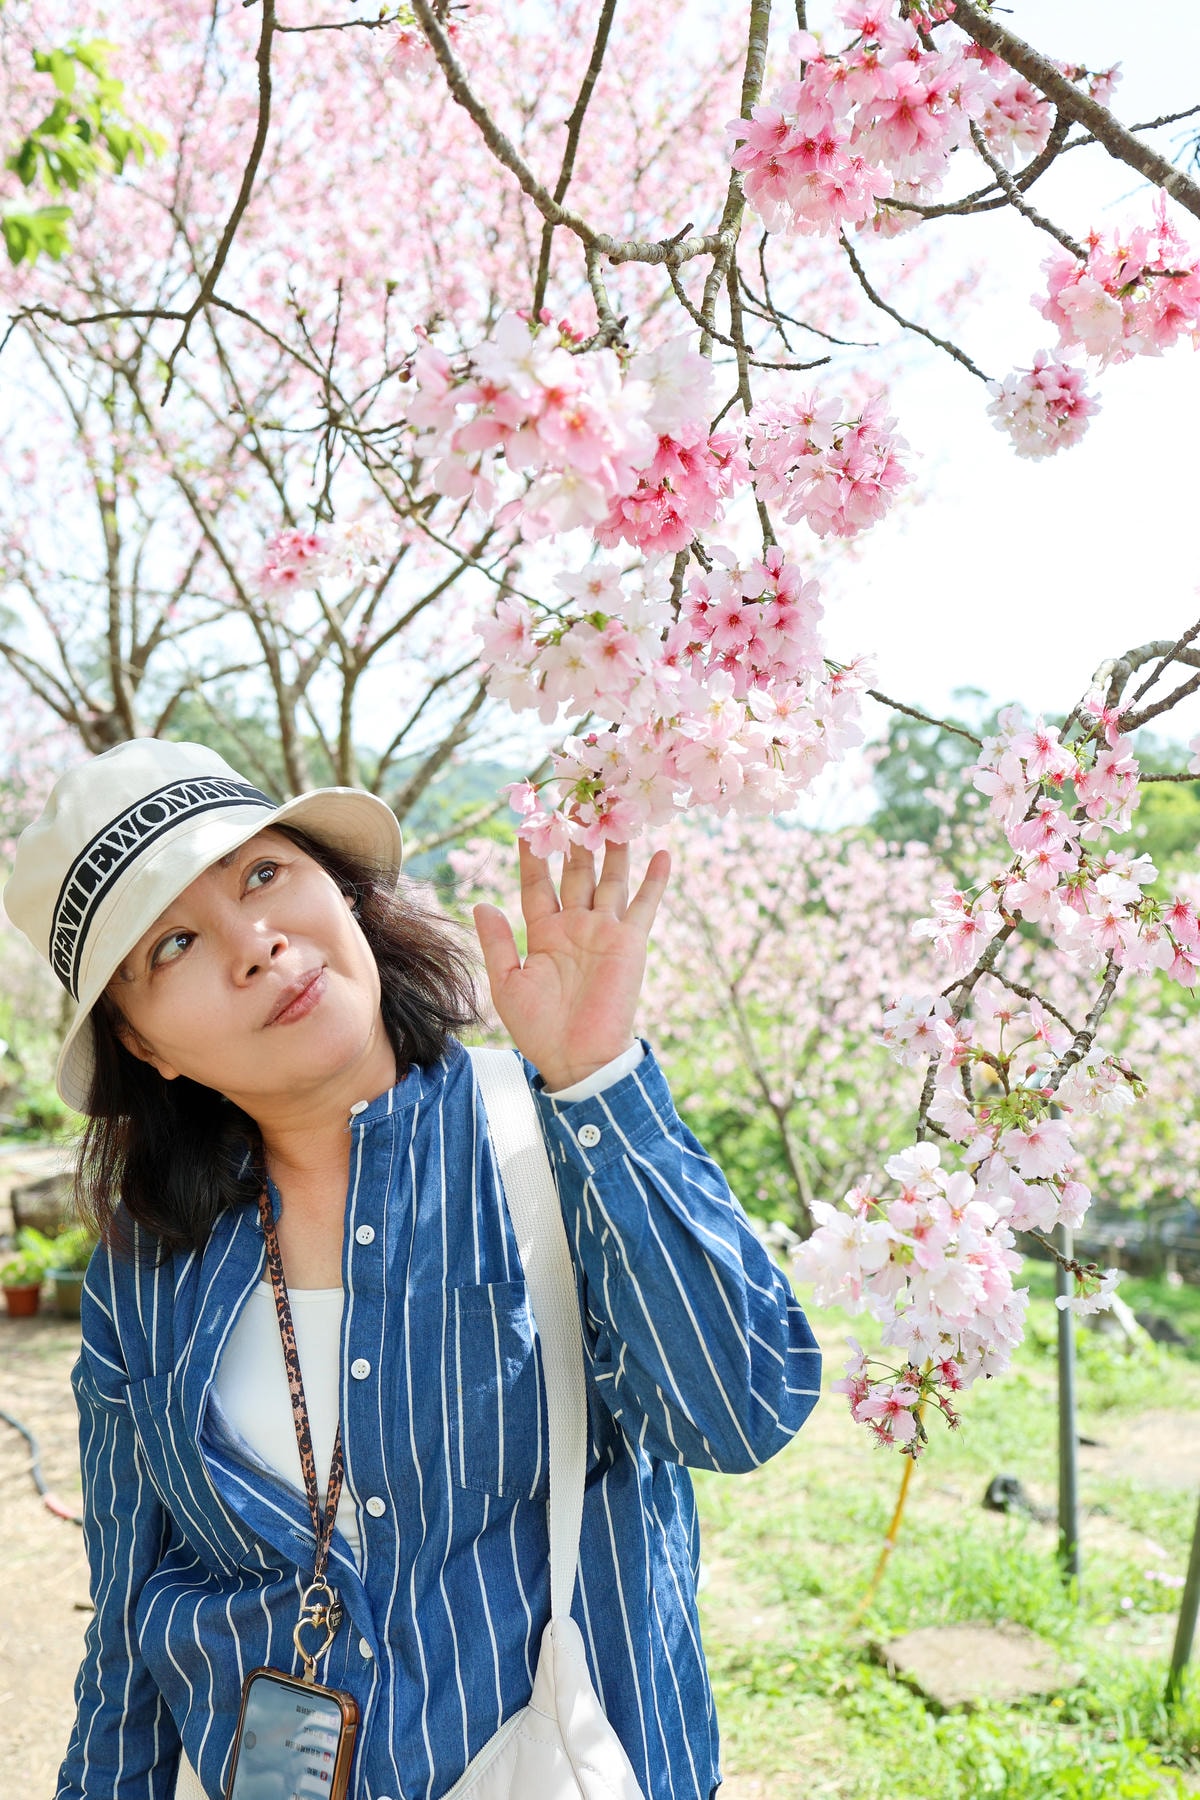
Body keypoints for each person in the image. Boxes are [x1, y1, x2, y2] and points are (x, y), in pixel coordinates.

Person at [4, 738, 822, 1800]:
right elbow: (128, 1610)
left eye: (263, 873)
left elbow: (739, 1412)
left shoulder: (549, 1130)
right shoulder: (146, 1261)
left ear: (339, 892)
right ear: (143, 1046)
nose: (254, 944)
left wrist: (597, 1080)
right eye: (171, 946)